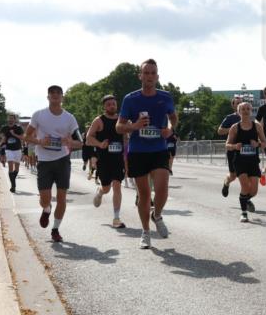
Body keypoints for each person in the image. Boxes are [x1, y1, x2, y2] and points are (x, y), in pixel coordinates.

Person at [116, 59, 177, 249]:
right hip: (138, 151)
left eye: (153, 73)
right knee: (143, 195)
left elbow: (173, 118)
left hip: (159, 148)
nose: (149, 76)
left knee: (162, 188)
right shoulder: (130, 99)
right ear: (140, 75)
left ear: (157, 77)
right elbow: (119, 127)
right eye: (146, 73)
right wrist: (134, 126)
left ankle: (156, 215)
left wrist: (169, 128)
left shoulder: (165, 97)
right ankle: (145, 232)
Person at [25, 85, 83, 243]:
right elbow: (26, 136)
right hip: (44, 161)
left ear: (62, 97)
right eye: (52, 93)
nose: (55, 96)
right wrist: (39, 141)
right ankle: (46, 209)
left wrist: (69, 141)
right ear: (48, 97)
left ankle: (55, 229)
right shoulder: (39, 115)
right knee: (45, 198)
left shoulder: (69, 118)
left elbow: (80, 143)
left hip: (62, 160)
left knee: (62, 196)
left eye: (58, 93)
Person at [86, 94, 126, 229]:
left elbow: (126, 138)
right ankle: (101, 192)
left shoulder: (122, 120)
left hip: (118, 160)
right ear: (104, 106)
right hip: (104, 160)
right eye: (108, 104)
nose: (111, 106)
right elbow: (88, 138)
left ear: (117, 105)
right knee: (107, 188)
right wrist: (99, 144)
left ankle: (116, 218)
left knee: (117, 185)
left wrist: (127, 158)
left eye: (113, 104)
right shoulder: (99, 120)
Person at [226, 101, 266, 222]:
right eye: (243, 109)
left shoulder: (257, 126)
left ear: (251, 111)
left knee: (253, 191)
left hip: (253, 161)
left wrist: (258, 144)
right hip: (239, 161)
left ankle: (244, 199)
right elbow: (227, 145)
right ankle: (244, 213)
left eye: (247, 109)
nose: (245, 111)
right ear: (239, 112)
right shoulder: (235, 127)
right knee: (245, 186)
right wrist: (235, 146)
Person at [218, 96, 242, 197]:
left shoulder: (247, 117)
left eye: (241, 103)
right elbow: (219, 131)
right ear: (233, 106)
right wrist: (232, 129)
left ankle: (246, 198)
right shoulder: (230, 118)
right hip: (232, 149)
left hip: (244, 150)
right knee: (233, 176)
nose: (239, 105)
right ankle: (226, 183)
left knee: (245, 174)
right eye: (237, 103)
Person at [0, 113, 25, 193]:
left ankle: (13, 179)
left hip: (17, 149)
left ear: (14, 119)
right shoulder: (5, 128)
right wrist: (2, 137)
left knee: (16, 168)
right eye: (9, 118)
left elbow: (22, 137)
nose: (10, 120)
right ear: (8, 119)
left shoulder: (18, 128)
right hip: (9, 149)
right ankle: (13, 186)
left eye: (12, 118)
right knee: (10, 165)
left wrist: (14, 134)